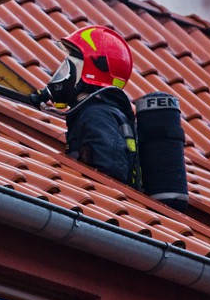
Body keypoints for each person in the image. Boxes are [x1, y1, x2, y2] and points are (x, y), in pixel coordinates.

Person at [36, 25, 141, 189]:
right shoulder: (101, 113)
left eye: (72, 64)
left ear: (93, 71)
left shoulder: (97, 116)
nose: (64, 72)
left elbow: (108, 183)